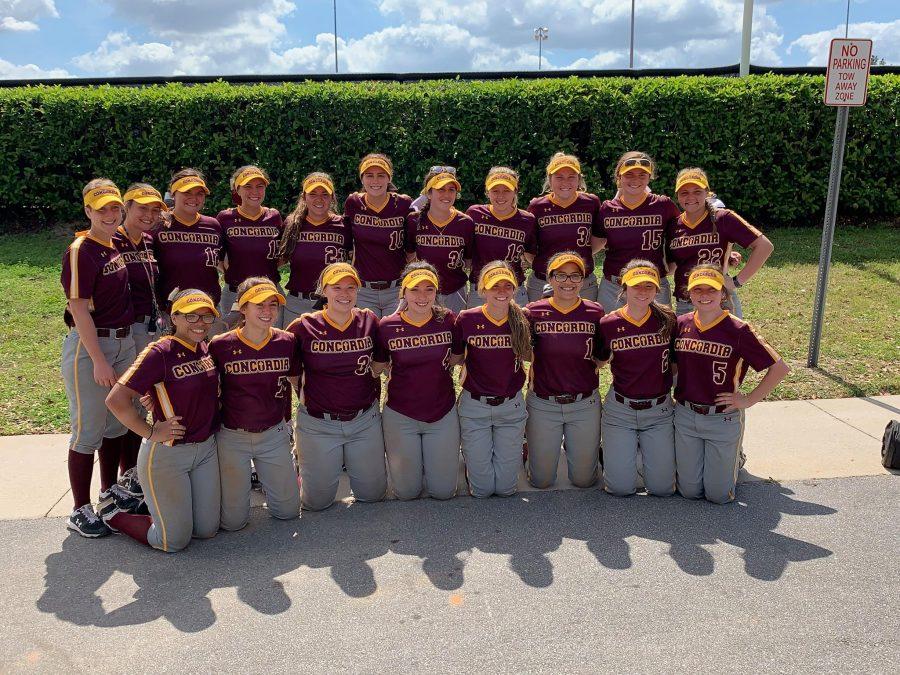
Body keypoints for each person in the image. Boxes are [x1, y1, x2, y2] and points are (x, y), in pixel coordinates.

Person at [101, 289, 222, 551]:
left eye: (206, 317)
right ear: (174, 317)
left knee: (206, 530)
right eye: (191, 316)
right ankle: (113, 515)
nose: (199, 323)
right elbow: (116, 400)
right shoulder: (160, 351)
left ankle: (164, 509)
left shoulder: (203, 347)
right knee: (173, 541)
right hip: (169, 454)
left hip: (205, 450)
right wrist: (150, 431)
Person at [61, 179, 140, 537]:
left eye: (114, 207)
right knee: (88, 430)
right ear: (88, 211)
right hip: (94, 347)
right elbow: (77, 308)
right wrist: (98, 360)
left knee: (116, 425)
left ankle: (109, 491)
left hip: (122, 343)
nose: (109, 214)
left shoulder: (113, 244)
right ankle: (79, 507)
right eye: (101, 208)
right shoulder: (82, 249)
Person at [673, 265, 789, 503]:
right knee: (690, 492)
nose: (705, 295)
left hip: (721, 417)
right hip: (685, 414)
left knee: (718, 496)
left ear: (723, 294)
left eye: (711, 290)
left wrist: (748, 399)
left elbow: (779, 368)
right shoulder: (681, 324)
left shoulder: (738, 329)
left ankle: (735, 457)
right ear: (689, 293)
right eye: (698, 290)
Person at [285, 262, 387, 510]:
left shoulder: (368, 320)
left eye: (351, 287)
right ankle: (307, 467)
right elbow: (292, 374)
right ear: (324, 290)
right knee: (316, 503)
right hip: (319, 423)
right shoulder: (303, 326)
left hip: (364, 420)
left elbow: (378, 365)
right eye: (337, 287)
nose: (344, 293)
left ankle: (345, 462)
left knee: (373, 495)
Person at [208, 278, 300, 530]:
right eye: (259, 305)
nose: (267, 311)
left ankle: (269, 478)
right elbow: (202, 387)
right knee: (233, 523)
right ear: (242, 308)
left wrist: (291, 426)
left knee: (289, 512)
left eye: (273, 304)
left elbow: (294, 382)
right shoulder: (221, 345)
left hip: (272, 434)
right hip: (232, 437)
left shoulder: (287, 341)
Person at [374, 262, 461, 500]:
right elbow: (378, 367)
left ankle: (432, 463)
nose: (422, 296)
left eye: (429, 289)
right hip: (402, 414)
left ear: (436, 291)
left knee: (443, 492)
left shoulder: (448, 321)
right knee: (406, 493)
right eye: (415, 289)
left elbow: (456, 358)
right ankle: (417, 465)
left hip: (441, 412)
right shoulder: (387, 326)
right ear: (403, 291)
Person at [595, 260, 677, 497]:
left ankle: (637, 452)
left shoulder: (668, 320)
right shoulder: (609, 323)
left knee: (662, 489)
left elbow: (674, 363)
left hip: (659, 410)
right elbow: (599, 361)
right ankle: (615, 453)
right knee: (620, 488)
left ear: (657, 290)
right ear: (624, 287)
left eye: (648, 286)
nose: (642, 291)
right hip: (621, 409)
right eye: (636, 286)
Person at [524, 252, 604, 489]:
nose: (568, 282)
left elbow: (601, 357)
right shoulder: (532, 312)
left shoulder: (595, 312)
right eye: (561, 275)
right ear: (550, 278)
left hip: (583, 403)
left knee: (583, 480)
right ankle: (528, 452)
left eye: (574, 276)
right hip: (544, 402)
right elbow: (523, 353)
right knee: (541, 481)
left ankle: (584, 450)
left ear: (582, 280)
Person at [453, 261, 531, 498]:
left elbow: (530, 354)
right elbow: (456, 358)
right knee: (482, 490)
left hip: (510, 405)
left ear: (515, 289)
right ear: (482, 289)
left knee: (506, 489)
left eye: (507, 286)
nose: (501, 291)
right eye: (494, 286)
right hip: (475, 405)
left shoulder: (524, 317)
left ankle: (512, 452)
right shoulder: (466, 318)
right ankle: (474, 463)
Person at [112, 183, 167, 480]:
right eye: (141, 208)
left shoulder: (148, 240)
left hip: (151, 326)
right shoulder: (111, 240)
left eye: (154, 209)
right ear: (126, 208)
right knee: (129, 400)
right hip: (127, 328)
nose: (148, 215)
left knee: (144, 401)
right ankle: (126, 473)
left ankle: (132, 471)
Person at [667, 168, 774, 316]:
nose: (690, 197)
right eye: (684, 192)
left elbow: (764, 246)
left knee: (729, 339)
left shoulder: (723, 218)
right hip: (686, 301)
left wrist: (736, 281)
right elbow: (673, 266)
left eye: (697, 191)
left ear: (707, 193)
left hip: (720, 299)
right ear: (677, 196)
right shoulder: (673, 225)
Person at [592, 151, 680, 311]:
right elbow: (593, 244)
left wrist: (725, 252)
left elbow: (687, 232)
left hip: (652, 285)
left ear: (650, 177)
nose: (635, 179)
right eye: (629, 174)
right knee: (610, 334)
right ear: (619, 177)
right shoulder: (607, 209)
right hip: (615, 286)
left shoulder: (662, 205)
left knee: (659, 334)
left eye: (642, 175)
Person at [526, 152, 602, 302]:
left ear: (579, 180)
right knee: (540, 325)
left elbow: (598, 239)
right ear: (550, 180)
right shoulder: (537, 206)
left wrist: (579, 256)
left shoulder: (591, 203)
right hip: (544, 281)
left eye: (571, 177)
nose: (565, 182)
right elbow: (530, 251)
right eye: (559, 177)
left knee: (584, 324)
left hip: (582, 281)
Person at [344, 153, 413, 317]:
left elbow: (412, 247)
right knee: (367, 339)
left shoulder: (403, 203)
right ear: (362, 179)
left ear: (389, 178)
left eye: (381, 175)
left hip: (396, 288)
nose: (375, 181)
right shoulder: (353, 203)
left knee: (393, 338)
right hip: (363, 289)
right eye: (369, 175)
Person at [279, 172, 351, 325]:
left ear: (332, 198)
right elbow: (277, 260)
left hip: (332, 303)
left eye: (325, 194)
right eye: (313, 194)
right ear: (304, 197)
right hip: (296, 303)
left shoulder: (343, 225)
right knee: (292, 348)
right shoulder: (292, 224)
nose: (319, 199)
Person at [217, 165, 284, 327]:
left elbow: (282, 255)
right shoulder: (225, 218)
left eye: (259, 186)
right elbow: (216, 257)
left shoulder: (274, 217)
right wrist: (231, 272)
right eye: (248, 186)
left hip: (270, 294)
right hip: (235, 294)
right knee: (233, 345)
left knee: (271, 345)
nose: (255, 191)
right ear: (236, 189)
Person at [404, 166, 474, 314]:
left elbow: (468, 261)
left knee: (455, 335)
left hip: (455, 291)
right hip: (424, 292)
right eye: (440, 189)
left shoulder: (465, 222)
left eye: (451, 190)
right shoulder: (414, 220)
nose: (447, 194)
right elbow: (410, 256)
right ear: (429, 193)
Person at [153, 169, 224, 313]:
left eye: (200, 193)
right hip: (171, 312)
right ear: (173, 194)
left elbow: (223, 263)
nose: (194, 198)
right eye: (187, 193)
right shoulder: (158, 225)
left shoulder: (213, 225)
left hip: (208, 311)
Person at [465, 166, 537, 308]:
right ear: (487, 192)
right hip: (481, 289)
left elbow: (531, 253)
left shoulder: (527, 220)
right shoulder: (475, 214)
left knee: (518, 330)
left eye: (506, 191)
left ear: (515, 191)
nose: (501, 196)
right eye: (495, 191)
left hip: (513, 289)